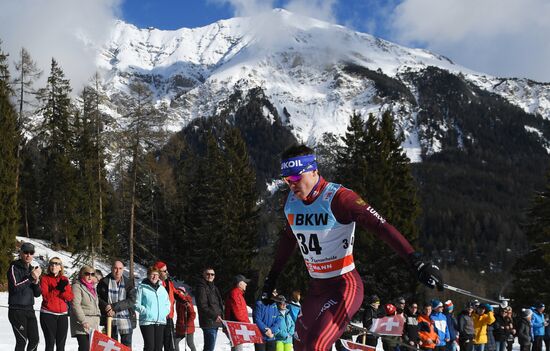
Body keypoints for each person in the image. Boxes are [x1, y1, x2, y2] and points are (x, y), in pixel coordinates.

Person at [260, 144, 443, 351]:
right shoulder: (291, 202)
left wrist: (415, 261)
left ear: (313, 170)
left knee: (316, 345)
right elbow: (288, 238)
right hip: (316, 289)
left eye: (295, 178)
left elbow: (381, 227)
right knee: (300, 345)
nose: (291, 184)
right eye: (286, 179)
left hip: (344, 286)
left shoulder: (339, 198)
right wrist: (272, 278)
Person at [7, 242, 42, 351]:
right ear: (20, 253)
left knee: (35, 340)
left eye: (31, 253)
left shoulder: (32, 269)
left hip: (29, 309)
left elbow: (37, 294)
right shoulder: (14, 267)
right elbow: (15, 287)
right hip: (16, 310)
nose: (28, 255)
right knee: (22, 340)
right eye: (26, 252)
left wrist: (36, 282)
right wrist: (31, 278)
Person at [97, 260, 136, 347]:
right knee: (112, 346)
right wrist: (106, 307)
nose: (117, 271)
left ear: (123, 270)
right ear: (111, 269)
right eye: (115, 268)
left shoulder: (128, 282)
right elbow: (97, 298)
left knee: (126, 347)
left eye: (120, 268)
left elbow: (131, 300)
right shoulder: (103, 282)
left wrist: (113, 307)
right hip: (109, 317)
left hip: (126, 318)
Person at [40, 257, 73, 351]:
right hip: (48, 314)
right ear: (49, 266)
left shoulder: (64, 279)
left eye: (57, 264)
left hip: (62, 315)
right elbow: (46, 298)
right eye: (52, 264)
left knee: (61, 345)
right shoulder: (45, 279)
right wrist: (58, 289)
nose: (54, 266)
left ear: (60, 267)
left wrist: (62, 291)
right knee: (50, 343)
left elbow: (70, 297)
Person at [135, 266, 171, 351]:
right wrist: (146, 312)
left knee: (158, 348)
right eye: (152, 274)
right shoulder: (142, 287)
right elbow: (136, 304)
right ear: (148, 275)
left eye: (156, 274)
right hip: (147, 321)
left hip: (160, 321)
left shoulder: (162, 289)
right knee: (150, 347)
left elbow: (167, 303)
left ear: (159, 276)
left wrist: (164, 312)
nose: (154, 277)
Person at [153, 261, 184, 351]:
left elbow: (175, 293)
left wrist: (185, 300)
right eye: (164, 271)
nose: (167, 272)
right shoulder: (153, 283)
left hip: (169, 317)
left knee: (170, 345)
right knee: (157, 346)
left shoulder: (168, 282)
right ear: (158, 272)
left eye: (166, 270)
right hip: (157, 319)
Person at [70, 265, 101, 351]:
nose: (90, 276)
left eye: (92, 274)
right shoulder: (77, 286)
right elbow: (75, 305)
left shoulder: (92, 287)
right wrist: (83, 320)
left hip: (92, 324)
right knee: (84, 348)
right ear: (82, 274)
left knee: (91, 348)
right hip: (82, 324)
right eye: (87, 274)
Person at [195, 267, 224, 351]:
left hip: (215, 322)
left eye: (212, 274)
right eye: (208, 274)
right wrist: (214, 316)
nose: (210, 276)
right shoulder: (201, 287)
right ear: (203, 275)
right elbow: (202, 306)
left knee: (210, 347)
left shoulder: (214, 287)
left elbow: (218, 305)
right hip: (208, 322)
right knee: (209, 348)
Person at [225, 274, 252, 351]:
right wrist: (248, 324)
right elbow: (238, 313)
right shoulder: (235, 294)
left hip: (238, 326)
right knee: (238, 348)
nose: (246, 284)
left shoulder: (239, 294)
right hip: (236, 326)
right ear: (240, 283)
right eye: (245, 282)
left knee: (236, 348)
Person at [174, 286, 197, 351]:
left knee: (190, 343)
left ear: (184, 293)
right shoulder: (178, 302)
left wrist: (188, 324)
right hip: (180, 327)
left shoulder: (187, 301)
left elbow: (193, 314)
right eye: (177, 292)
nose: (179, 294)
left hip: (188, 328)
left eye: (180, 292)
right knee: (175, 341)